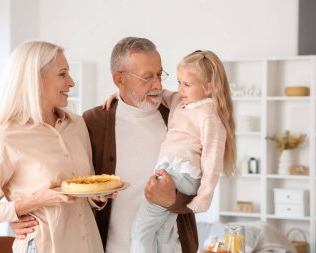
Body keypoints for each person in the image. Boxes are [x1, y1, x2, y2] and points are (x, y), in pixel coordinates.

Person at [10, 37, 199, 253]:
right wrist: (20, 214)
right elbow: (61, 181)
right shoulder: (92, 122)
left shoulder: (180, 120)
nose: (157, 84)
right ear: (120, 79)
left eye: (159, 74)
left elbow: (201, 188)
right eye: (147, 77)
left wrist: (174, 200)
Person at [0, 40, 114, 253]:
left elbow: (85, 187)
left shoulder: (76, 125)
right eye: (63, 74)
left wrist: (96, 196)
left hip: (88, 245)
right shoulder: (7, 138)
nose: (71, 82)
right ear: (35, 79)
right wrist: (30, 204)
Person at [129, 50, 237, 253]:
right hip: (174, 171)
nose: (180, 89)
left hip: (181, 174)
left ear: (210, 86)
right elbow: (159, 95)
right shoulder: (181, 101)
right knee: (163, 234)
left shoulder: (209, 115)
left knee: (140, 232)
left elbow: (212, 160)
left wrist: (204, 197)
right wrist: (118, 96)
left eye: (187, 84)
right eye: (179, 82)